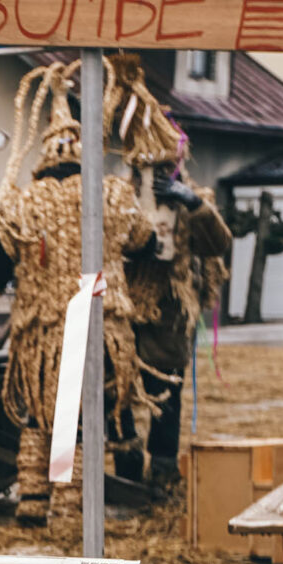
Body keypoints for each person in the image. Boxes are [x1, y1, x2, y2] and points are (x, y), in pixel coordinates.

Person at [0, 62, 156, 525]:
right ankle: (72, 507)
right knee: (88, 412)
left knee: (43, 409)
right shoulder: (112, 194)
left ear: (45, 155)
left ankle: (35, 499)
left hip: (43, 332)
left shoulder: (22, 202)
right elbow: (146, 240)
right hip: (104, 328)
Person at [110, 61, 230, 493]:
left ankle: (162, 472)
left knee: (165, 395)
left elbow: (218, 243)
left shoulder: (196, 198)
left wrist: (191, 203)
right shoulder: (118, 196)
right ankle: (126, 467)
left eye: (163, 170)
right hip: (125, 313)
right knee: (117, 392)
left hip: (170, 317)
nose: (155, 178)